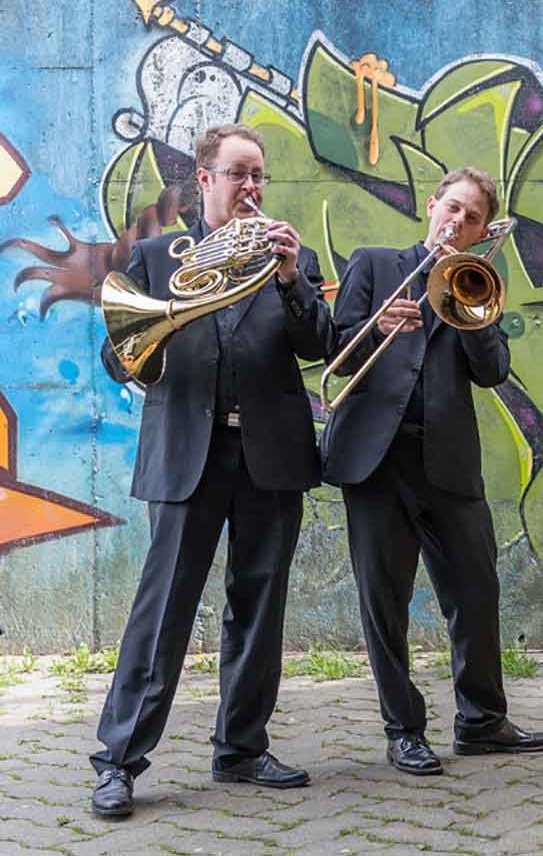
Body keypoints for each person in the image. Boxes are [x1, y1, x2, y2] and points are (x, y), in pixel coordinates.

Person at [91, 124, 334, 818]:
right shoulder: (154, 257)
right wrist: (154, 336)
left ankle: (241, 749)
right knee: (162, 611)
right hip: (186, 455)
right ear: (204, 180)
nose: (251, 187)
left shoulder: (292, 256)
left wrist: (291, 280)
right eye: (238, 174)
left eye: (259, 175)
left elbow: (319, 342)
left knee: (258, 611)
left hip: (270, 455)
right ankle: (118, 761)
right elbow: (120, 356)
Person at [322, 167, 543, 776]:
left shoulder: (477, 282)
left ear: (481, 231)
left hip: (447, 458)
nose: (458, 222)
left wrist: (469, 313)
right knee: (385, 599)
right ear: (431, 206)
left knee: (475, 591)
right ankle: (404, 730)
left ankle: (481, 722)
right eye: (452, 208)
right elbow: (336, 351)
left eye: (472, 217)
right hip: (377, 458)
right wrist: (380, 325)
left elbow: (492, 371)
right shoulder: (374, 265)